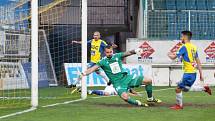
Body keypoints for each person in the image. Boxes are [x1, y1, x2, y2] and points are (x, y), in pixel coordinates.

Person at [79, 45, 161, 107]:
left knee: (148, 80)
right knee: (125, 97)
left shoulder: (117, 56)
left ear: (112, 51)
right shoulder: (102, 62)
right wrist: (83, 74)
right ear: (105, 52)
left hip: (127, 78)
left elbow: (128, 53)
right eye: (107, 52)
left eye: (110, 52)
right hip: (118, 84)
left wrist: (136, 50)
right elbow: (92, 69)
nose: (109, 54)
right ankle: (139, 104)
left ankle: (150, 98)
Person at [168, 31, 212, 110]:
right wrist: (201, 74)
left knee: (177, 89)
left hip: (188, 73)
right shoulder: (194, 47)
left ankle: (179, 105)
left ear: (185, 37)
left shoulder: (184, 47)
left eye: (181, 37)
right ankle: (204, 88)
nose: (181, 38)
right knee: (186, 89)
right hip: (193, 73)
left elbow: (173, 57)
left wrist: (169, 54)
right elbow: (198, 61)